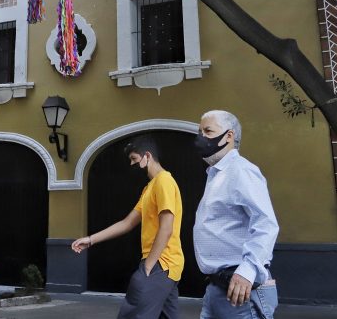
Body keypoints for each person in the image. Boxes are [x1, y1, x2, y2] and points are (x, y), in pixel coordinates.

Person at [72, 136, 184, 319]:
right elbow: (127, 223)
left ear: (147, 156)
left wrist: (148, 266)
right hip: (166, 266)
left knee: (132, 314)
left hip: (161, 264)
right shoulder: (149, 188)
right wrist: (91, 240)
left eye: (134, 159)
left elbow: (167, 227)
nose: (131, 164)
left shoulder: (164, 181)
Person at [193, 110, 280, 319]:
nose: (201, 138)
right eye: (200, 132)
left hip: (240, 290)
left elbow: (266, 224)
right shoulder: (216, 174)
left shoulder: (241, 170)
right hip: (218, 287)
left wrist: (247, 271)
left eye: (208, 131)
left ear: (229, 136)